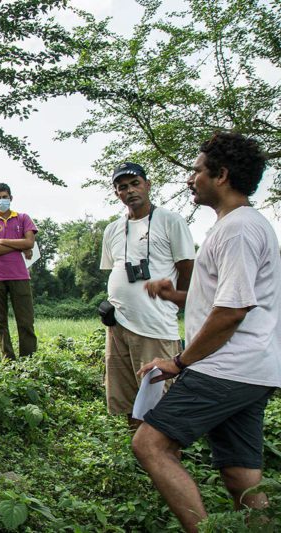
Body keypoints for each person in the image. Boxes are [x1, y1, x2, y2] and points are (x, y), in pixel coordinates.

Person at [132, 132, 281, 532]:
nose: (190, 179)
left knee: (150, 444)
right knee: (240, 473)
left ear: (222, 175)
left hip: (226, 367)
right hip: (251, 369)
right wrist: (177, 296)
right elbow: (227, 302)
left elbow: (232, 311)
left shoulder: (238, 230)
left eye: (197, 170)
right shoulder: (237, 226)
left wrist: (180, 362)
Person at [99, 162, 195, 429]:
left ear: (147, 184)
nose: (129, 191)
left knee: (157, 398)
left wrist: (177, 299)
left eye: (134, 184)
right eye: (122, 187)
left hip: (155, 324)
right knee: (128, 396)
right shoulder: (112, 229)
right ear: (117, 193)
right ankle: (139, 451)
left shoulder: (170, 220)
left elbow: (186, 267)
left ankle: (162, 452)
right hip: (118, 325)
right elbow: (114, 270)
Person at [0, 182, 38, 359]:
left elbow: (30, 243)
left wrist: (2, 241)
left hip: (19, 275)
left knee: (26, 321)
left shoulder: (23, 218)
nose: (1, 200)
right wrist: (18, 245)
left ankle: (28, 360)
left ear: (11, 198)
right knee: (0, 322)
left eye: (4, 197)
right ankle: (8, 360)